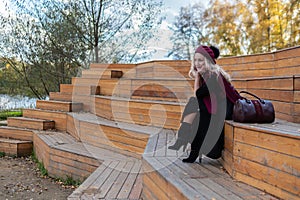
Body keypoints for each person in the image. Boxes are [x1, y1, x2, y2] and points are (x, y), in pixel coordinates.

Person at [168, 45, 241, 163]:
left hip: (228, 109)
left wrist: (197, 76)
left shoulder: (213, 75)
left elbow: (199, 94)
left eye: (200, 60)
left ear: (207, 61)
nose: (197, 63)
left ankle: (184, 139)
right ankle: (185, 141)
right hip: (216, 106)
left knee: (199, 109)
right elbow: (199, 96)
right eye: (195, 60)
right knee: (196, 107)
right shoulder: (207, 74)